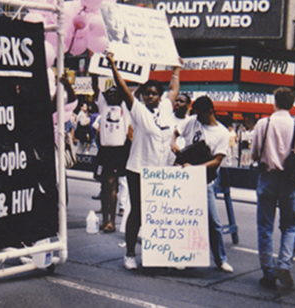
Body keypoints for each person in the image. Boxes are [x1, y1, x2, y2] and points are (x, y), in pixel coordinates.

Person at [106, 52, 181, 270]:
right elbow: (123, 88)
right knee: (138, 212)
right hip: (138, 169)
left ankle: (161, 254)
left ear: (159, 97)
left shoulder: (166, 108)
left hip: (161, 171)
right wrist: (113, 65)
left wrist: (176, 69)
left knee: (160, 213)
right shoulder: (138, 110)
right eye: (147, 94)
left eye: (154, 94)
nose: (150, 97)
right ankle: (130, 254)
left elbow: (174, 89)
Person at [250, 87, 295, 289]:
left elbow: (254, 154)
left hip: (267, 177)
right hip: (289, 181)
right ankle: (284, 265)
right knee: (289, 226)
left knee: (265, 226)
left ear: (274, 102)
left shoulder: (263, 124)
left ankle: (268, 272)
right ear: (292, 104)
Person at [172, 96, 234, 273]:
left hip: (204, 179)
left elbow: (217, 160)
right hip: (185, 174)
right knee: (184, 218)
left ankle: (221, 259)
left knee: (213, 221)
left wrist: (195, 168)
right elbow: (176, 132)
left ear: (210, 112)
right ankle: (184, 256)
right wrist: (173, 143)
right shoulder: (193, 120)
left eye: (201, 114)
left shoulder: (222, 133)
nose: (198, 118)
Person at [92, 77, 131, 234]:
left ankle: (112, 222)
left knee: (112, 185)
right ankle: (105, 219)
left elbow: (131, 93)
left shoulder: (124, 107)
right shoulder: (103, 106)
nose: (112, 95)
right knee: (103, 186)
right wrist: (94, 73)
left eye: (116, 93)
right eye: (110, 93)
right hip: (104, 151)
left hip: (118, 151)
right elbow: (95, 86)